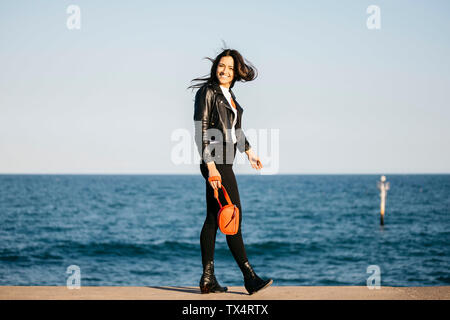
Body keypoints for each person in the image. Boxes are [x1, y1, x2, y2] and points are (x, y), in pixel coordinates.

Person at [188, 48, 273, 295]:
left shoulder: (229, 95)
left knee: (214, 218)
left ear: (236, 72)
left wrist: (249, 152)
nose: (224, 71)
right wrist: (212, 166)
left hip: (225, 160)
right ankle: (250, 278)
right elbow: (200, 130)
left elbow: (235, 131)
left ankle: (208, 279)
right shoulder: (208, 92)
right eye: (221, 66)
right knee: (233, 214)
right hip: (216, 161)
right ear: (216, 67)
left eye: (230, 68)